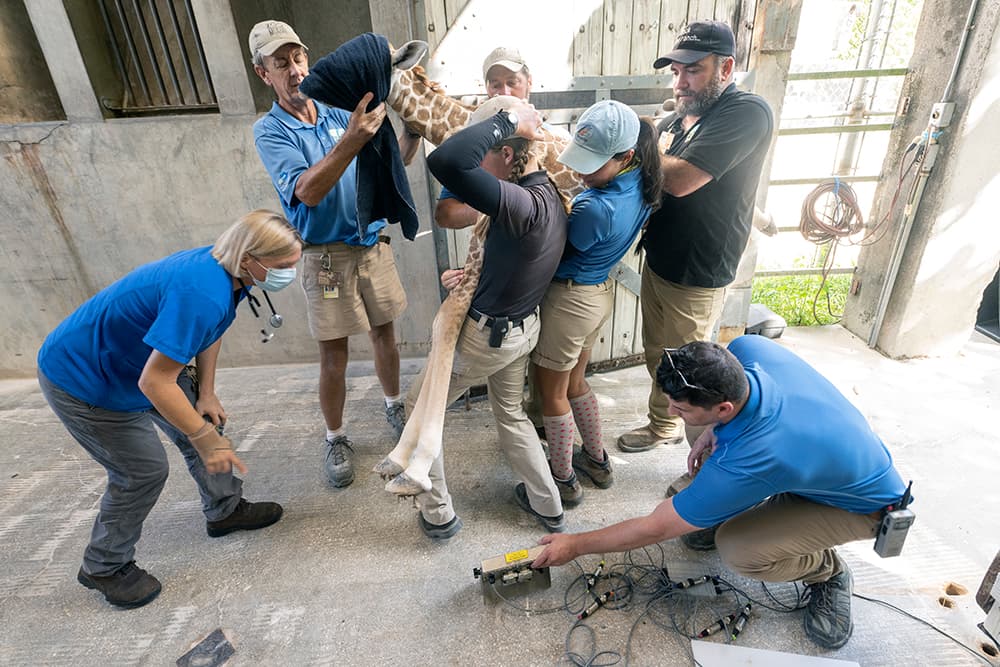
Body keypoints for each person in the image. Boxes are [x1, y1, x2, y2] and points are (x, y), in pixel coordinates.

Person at [533, 335, 909, 649]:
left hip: (865, 507)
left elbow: (655, 528)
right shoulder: (749, 349)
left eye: (679, 406)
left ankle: (827, 573)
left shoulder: (755, 456)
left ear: (725, 406)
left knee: (739, 549)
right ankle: (721, 500)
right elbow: (728, 419)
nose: (670, 410)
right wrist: (715, 428)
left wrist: (576, 544)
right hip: (812, 465)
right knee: (701, 432)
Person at [37, 210, 302, 609]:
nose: (290, 274)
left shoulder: (232, 272)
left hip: (143, 358)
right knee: (142, 470)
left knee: (207, 419)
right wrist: (201, 436)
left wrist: (206, 392)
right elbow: (155, 382)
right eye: (284, 267)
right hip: (84, 376)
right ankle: (105, 566)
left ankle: (224, 510)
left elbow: (210, 330)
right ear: (250, 257)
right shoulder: (202, 290)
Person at [250, 20, 408, 488]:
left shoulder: (340, 109)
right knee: (334, 357)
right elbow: (308, 191)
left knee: (387, 336)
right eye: (282, 64)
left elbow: (383, 169)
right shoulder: (271, 132)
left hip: (371, 244)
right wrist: (353, 138)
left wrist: (411, 136)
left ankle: (395, 405)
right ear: (264, 74)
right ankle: (336, 436)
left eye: (299, 58)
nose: (296, 71)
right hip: (326, 258)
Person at [407, 95, 569, 539]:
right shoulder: (546, 193)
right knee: (511, 413)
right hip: (521, 327)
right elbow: (516, 258)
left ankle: (437, 512)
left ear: (507, 153)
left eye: (486, 155)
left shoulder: (521, 205)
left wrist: (510, 119)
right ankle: (548, 505)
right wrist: (475, 273)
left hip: (487, 337)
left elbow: (447, 161)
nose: (477, 166)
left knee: (417, 410)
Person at [616, 21, 774, 464]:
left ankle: (708, 470)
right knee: (658, 358)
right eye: (675, 71)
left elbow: (681, 179)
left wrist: (633, 155)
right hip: (662, 258)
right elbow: (650, 154)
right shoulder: (682, 115)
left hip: (700, 268)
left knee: (693, 380)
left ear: (726, 67)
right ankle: (663, 425)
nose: (680, 81)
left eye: (693, 71)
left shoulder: (745, 113)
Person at [533, 100, 662, 506]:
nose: (582, 172)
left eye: (593, 164)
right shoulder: (643, 180)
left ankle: (563, 478)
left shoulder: (595, 206)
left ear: (625, 155)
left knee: (550, 392)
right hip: (597, 297)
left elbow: (557, 251)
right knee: (576, 383)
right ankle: (597, 460)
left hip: (569, 301)